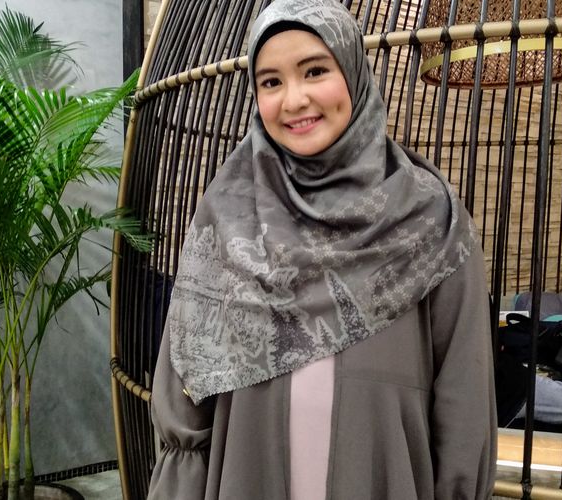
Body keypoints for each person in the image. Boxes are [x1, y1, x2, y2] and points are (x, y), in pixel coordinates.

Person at [147, 1, 496, 498]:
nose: (294, 100)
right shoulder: (228, 216)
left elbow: (464, 400)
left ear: (352, 72)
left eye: (314, 71)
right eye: (271, 81)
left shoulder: (429, 218)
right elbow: (184, 393)